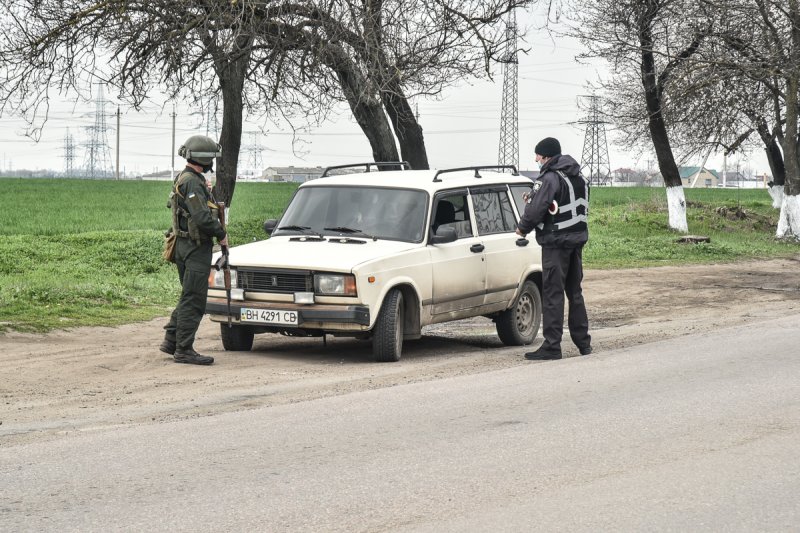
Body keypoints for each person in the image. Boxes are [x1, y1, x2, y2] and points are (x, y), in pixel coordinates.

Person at [516, 137, 592, 360]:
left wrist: (522, 229)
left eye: (538, 155)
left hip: (556, 244)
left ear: (547, 156)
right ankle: (583, 343)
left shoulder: (549, 177)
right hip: (576, 241)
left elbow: (536, 209)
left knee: (553, 294)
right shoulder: (578, 177)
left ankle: (551, 346)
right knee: (575, 293)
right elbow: (564, 206)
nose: (536, 159)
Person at [160, 135, 228, 365]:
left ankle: (172, 340)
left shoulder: (186, 178)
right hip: (195, 247)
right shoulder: (192, 182)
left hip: (184, 245)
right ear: (205, 158)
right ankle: (184, 349)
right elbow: (201, 217)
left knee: (188, 295)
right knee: (195, 299)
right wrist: (221, 233)